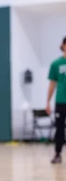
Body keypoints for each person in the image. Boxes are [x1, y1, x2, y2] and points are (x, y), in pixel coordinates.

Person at [47, 36, 66, 164]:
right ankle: (57, 154)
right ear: (63, 45)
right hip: (61, 101)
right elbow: (52, 84)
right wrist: (47, 101)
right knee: (59, 129)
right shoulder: (56, 64)